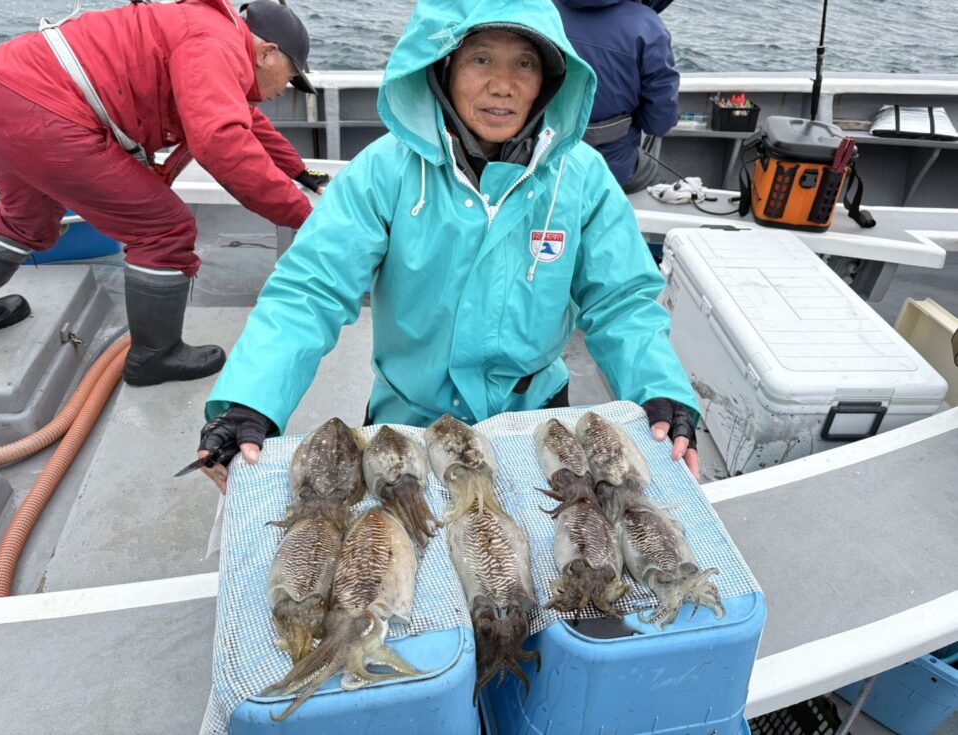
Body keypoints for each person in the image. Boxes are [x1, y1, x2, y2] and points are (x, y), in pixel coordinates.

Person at [196, 0, 701, 492]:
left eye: (524, 63)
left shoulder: (583, 177)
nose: (502, 85)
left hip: (536, 423)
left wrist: (660, 392)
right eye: (481, 58)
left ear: (549, 80)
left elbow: (622, 301)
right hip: (410, 423)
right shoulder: (384, 170)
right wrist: (252, 401)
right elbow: (311, 290)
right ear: (442, 67)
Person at [0, 0, 329, 385]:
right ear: (266, 53)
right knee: (165, 229)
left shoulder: (211, 34)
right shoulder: (215, 42)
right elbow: (221, 142)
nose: (285, 90)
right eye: (291, 76)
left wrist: (303, 172)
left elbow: (250, 121)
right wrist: (307, 217)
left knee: (23, 216)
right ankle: (156, 356)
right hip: (48, 109)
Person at [553, 0, 679, 192]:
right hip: (613, 168)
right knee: (652, 172)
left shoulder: (542, 10)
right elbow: (659, 123)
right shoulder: (648, 25)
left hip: (542, 159)